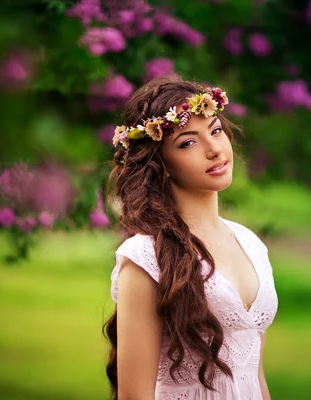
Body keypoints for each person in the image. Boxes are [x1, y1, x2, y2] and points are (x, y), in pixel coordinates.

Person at [103, 75, 279, 400]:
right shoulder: (146, 257)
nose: (214, 149)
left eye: (215, 130)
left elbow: (254, 375)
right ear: (161, 164)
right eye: (188, 142)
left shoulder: (251, 244)